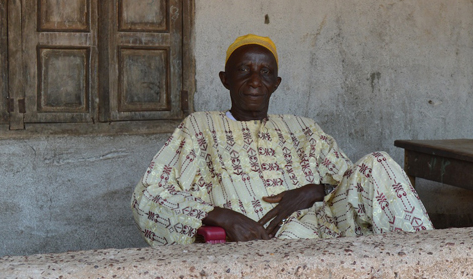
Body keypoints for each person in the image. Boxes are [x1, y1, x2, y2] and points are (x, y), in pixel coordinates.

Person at [132, 34, 434, 244]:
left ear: (275, 84)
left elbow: (350, 183)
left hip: (326, 233)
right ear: (226, 79)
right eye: (244, 71)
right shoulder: (199, 127)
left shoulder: (304, 128)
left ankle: (431, 266)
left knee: (378, 163)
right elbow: (149, 194)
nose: (254, 81)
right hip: (258, 245)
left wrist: (315, 190)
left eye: (265, 73)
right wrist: (222, 217)